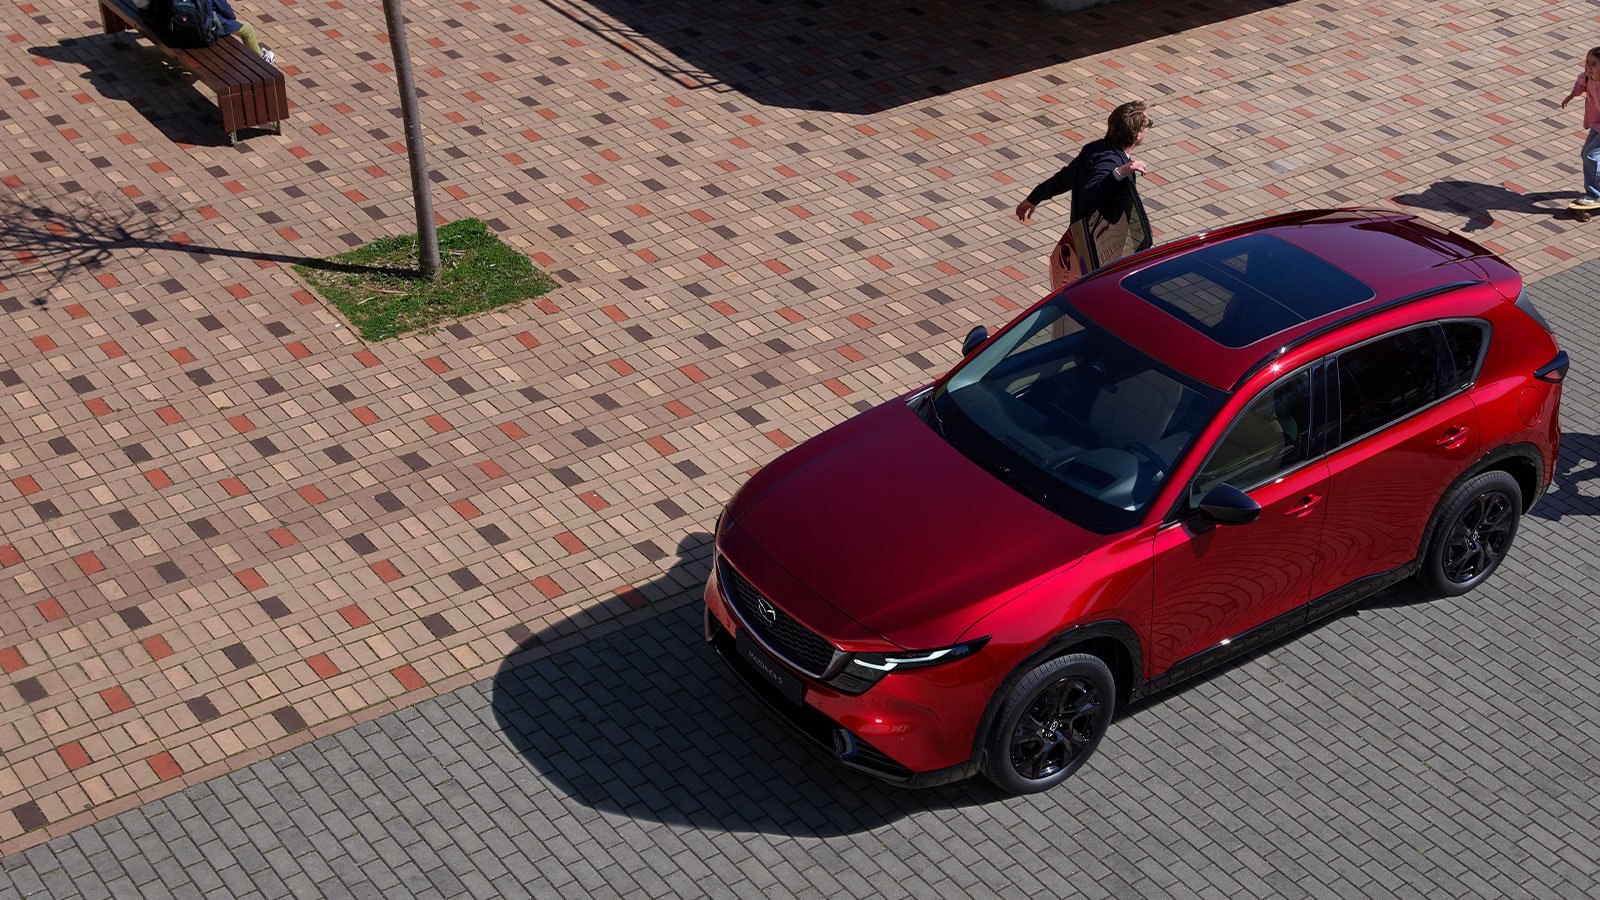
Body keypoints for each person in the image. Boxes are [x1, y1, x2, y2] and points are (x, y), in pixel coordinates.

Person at [1015, 101, 1153, 288]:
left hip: (1086, 242)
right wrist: (1119, 173)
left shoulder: (1094, 149)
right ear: (1137, 135)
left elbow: (1064, 178)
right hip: (1098, 249)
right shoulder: (1112, 163)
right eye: (1148, 125)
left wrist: (1034, 198)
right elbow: (1091, 195)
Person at [1560, 47, 1600, 210]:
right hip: (1597, 123)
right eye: (1587, 62)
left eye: (1594, 64)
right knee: (1586, 154)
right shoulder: (1588, 78)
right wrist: (1571, 95)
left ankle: (1595, 195)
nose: (1588, 67)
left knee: (1591, 156)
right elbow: (1581, 83)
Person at [212, 0, 275, 65]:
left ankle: (258, 54)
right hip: (211, 27)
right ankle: (261, 59)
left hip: (203, 26)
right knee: (247, 29)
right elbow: (226, 11)